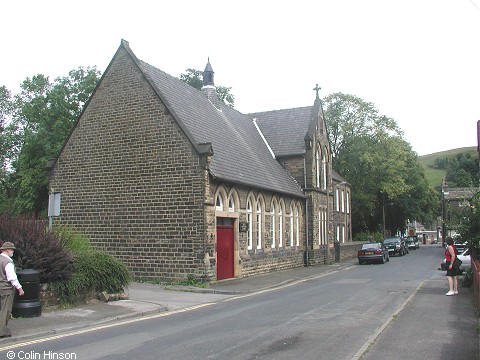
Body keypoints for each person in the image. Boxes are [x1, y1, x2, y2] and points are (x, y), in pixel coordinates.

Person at [0, 242, 24, 338]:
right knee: (5, 310)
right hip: (6, 289)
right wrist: (20, 288)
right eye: (11, 249)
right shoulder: (7, 262)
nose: (13, 251)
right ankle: (1, 332)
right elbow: (12, 278)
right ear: (7, 250)